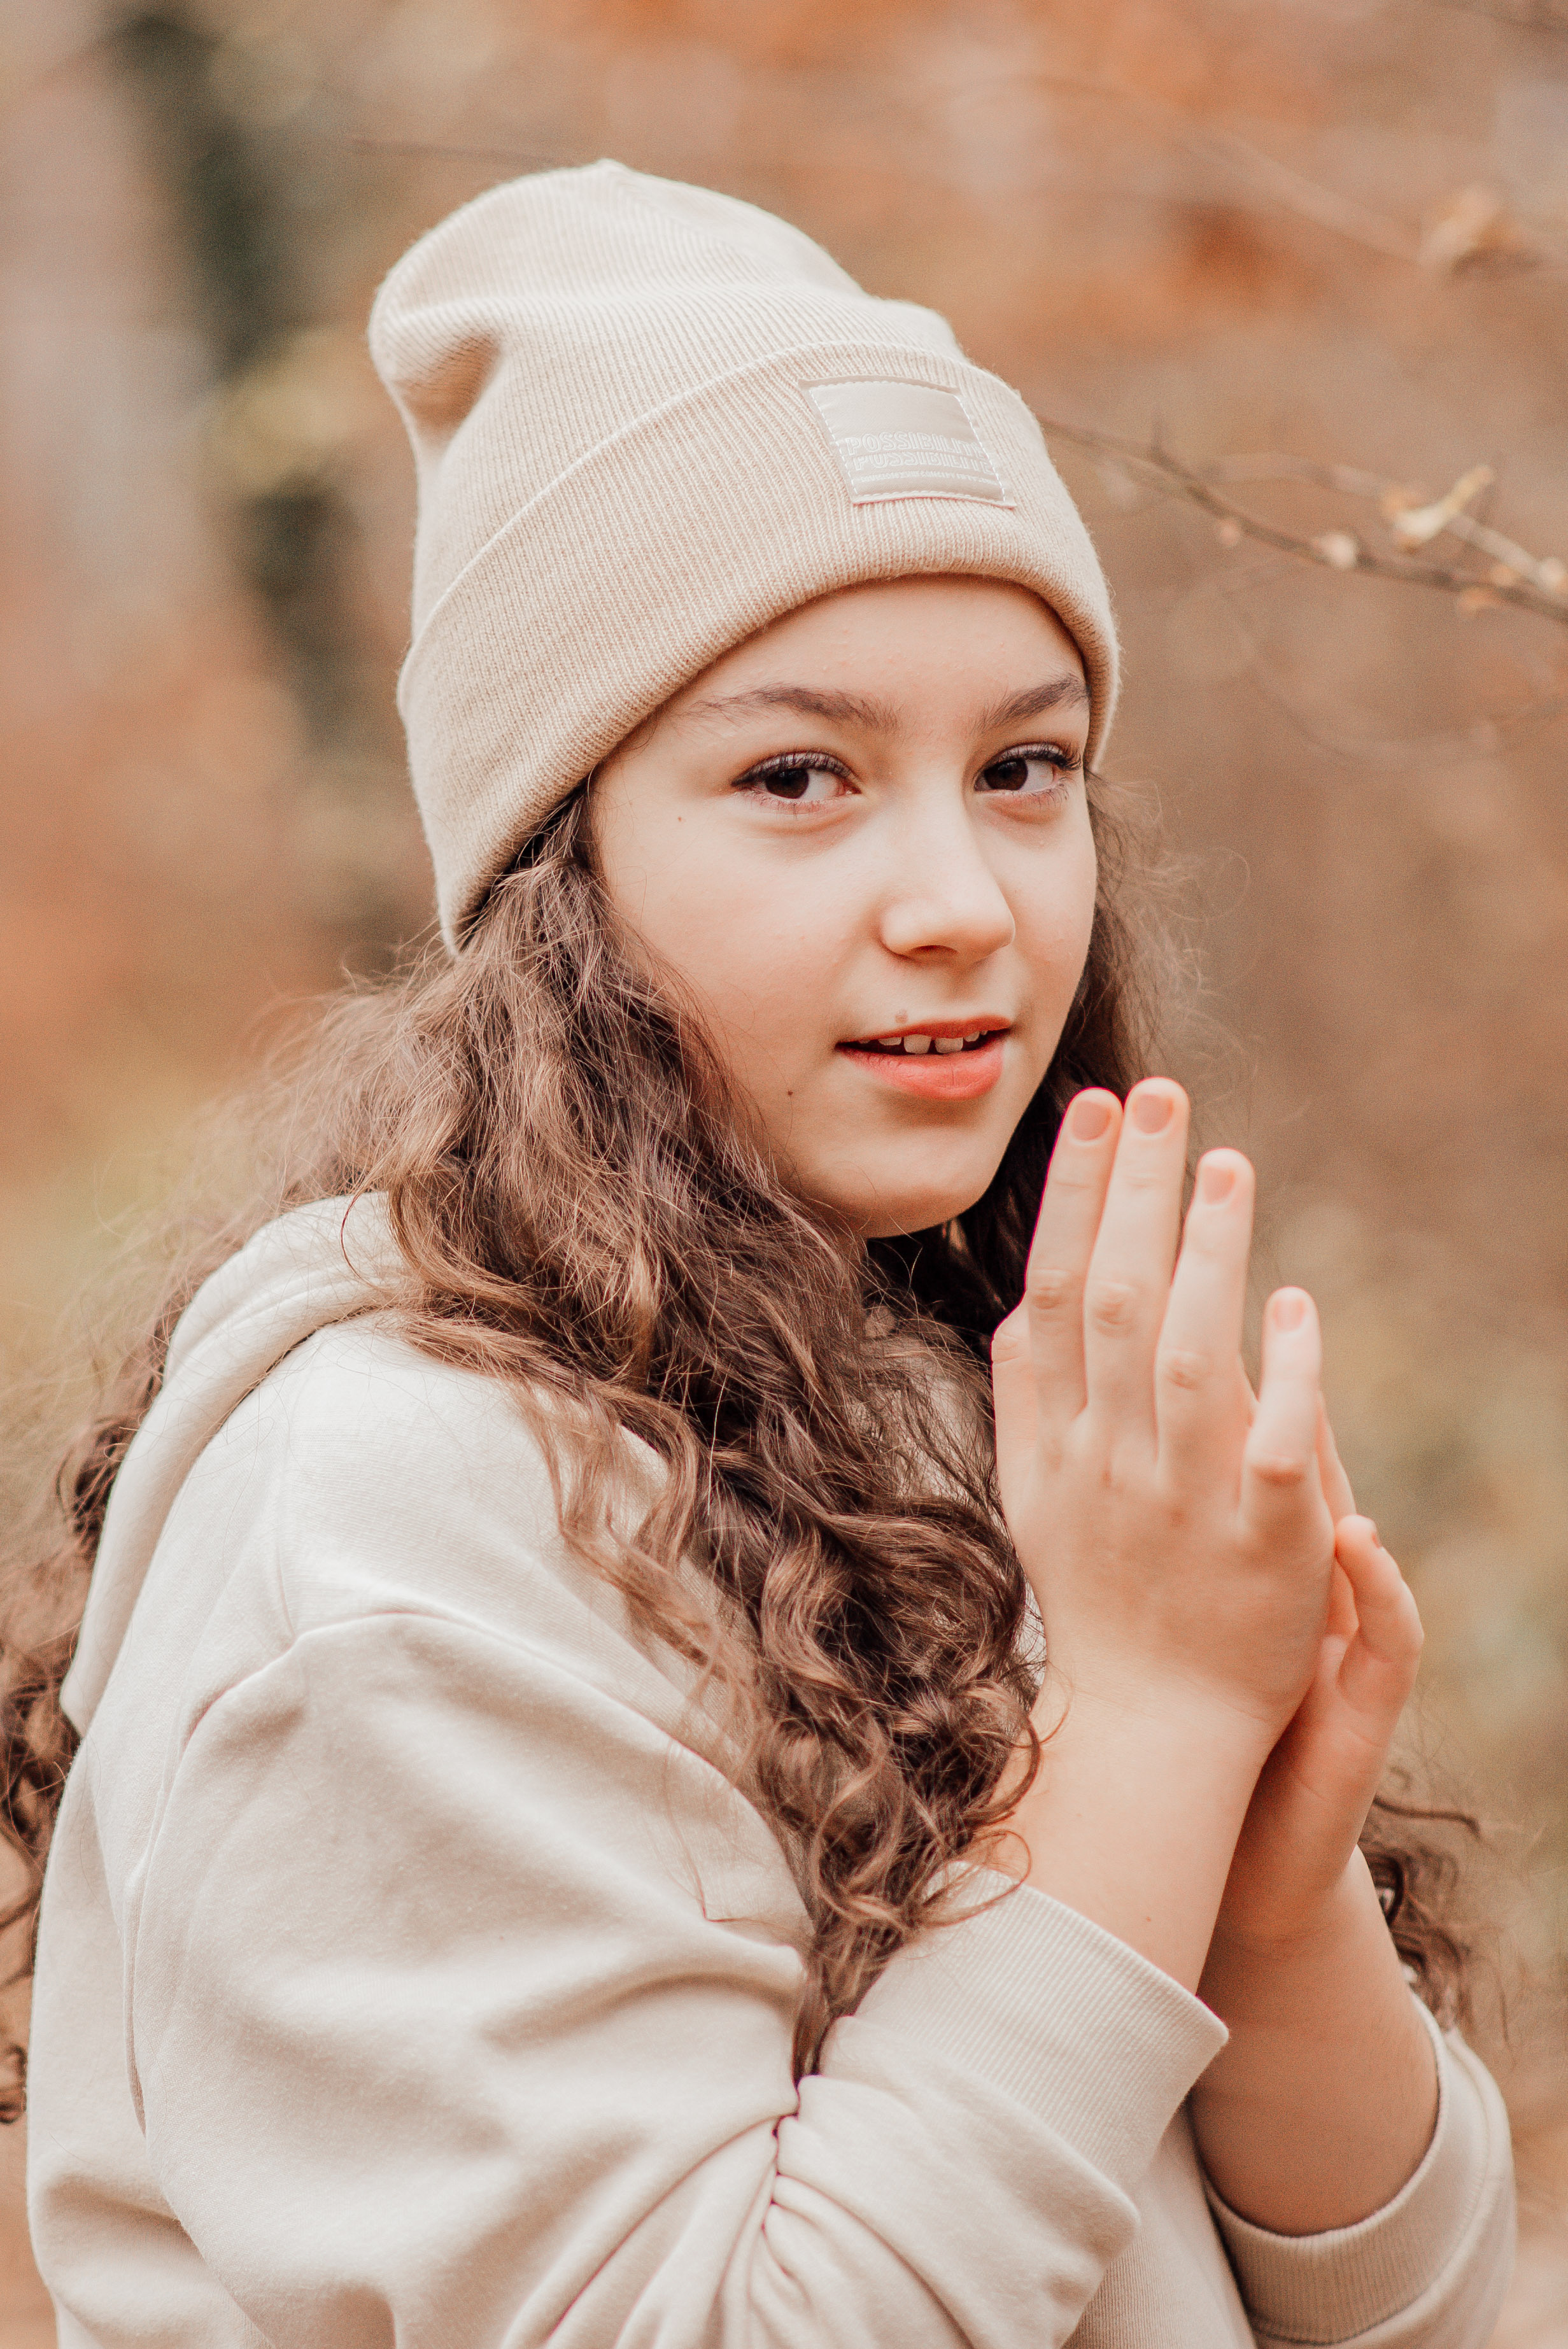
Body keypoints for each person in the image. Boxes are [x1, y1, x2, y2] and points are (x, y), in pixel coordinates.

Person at [15, 163, 1512, 2348]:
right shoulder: (390, 1515)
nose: (966, 899)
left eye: (1026, 767)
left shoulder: (944, 1378)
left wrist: (1269, 1903)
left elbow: (1437, 2313)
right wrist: (1151, 1734)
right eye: (801, 775)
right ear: (562, 868)